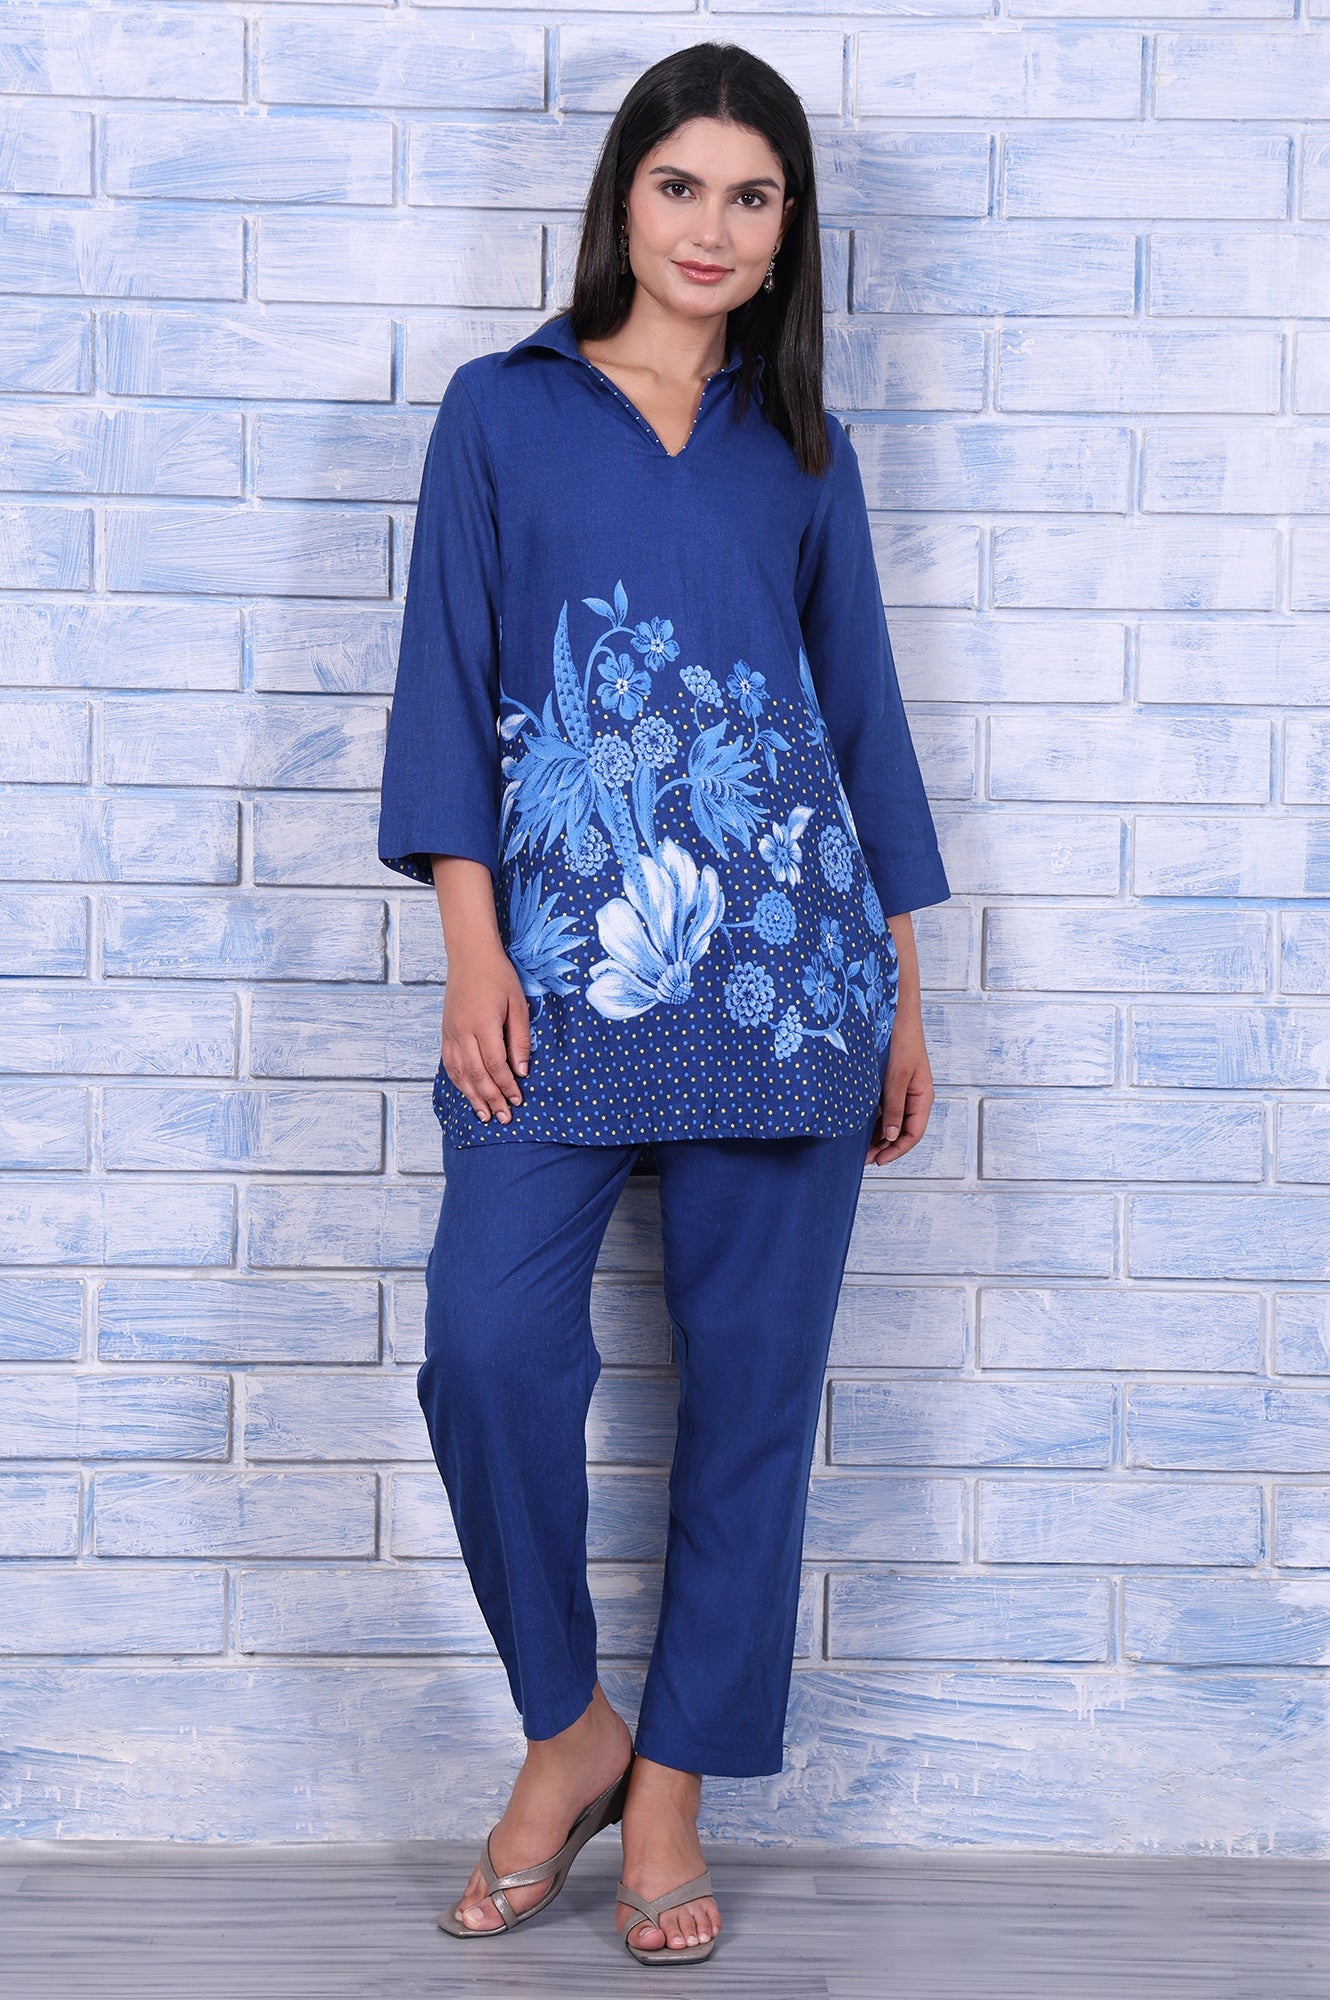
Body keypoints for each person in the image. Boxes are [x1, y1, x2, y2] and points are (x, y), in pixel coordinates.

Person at [376, 39, 950, 1967]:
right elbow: (448, 678)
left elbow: (859, 724)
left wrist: (904, 995)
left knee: (752, 1400)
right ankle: (572, 1733)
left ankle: (678, 1788)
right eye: (680, 184)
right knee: (486, 1349)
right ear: (622, 196)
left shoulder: (804, 447)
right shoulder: (504, 409)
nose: (711, 226)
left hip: (794, 979)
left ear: (789, 232)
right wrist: (472, 948)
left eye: (751, 195)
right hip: (555, 983)